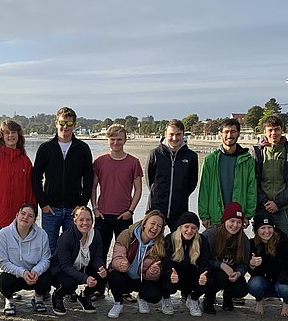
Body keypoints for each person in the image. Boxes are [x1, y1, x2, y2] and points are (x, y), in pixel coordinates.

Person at [0, 119, 35, 310]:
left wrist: (30, 217)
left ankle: (9, 291)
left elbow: (29, 192)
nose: (10, 136)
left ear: (19, 136)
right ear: (1, 136)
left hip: (17, 222)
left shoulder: (25, 160)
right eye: (7, 133)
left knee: (13, 257)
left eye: (14, 133)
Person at [32, 107, 94, 253]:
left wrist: (81, 204)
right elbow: (36, 177)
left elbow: (89, 178)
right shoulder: (45, 148)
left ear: (74, 125)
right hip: (51, 209)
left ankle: (69, 276)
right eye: (62, 123)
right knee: (49, 249)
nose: (65, 126)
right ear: (56, 123)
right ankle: (50, 275)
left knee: (72, 248)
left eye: (69, 123)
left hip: (74, 209)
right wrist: (43, 203)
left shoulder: (82, 149)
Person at [91, 123, 143, 263]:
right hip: (103, 215)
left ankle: (118, 282)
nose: (116, 142)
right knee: (99, 253)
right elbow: (93, 187)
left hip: (124, 216)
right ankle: (99, 282)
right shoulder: (99, 162)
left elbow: (138, 189)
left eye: (119, 139)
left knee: (123, 253)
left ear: (125, 140)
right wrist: (95, 209)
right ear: (108, 140)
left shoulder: (133, 162)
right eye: (112, 139)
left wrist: (131, 211)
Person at [106, 210, 167, 318]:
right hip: (125, 276)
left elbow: (155, 272)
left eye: (159, 226)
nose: (155, 228)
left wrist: (153, 272)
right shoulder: (127, 234)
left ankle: (142, 298)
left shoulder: (160, 244)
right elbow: (116, 257)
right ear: (144, 223)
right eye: (152, 224)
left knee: (155, 296)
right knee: (115, 276)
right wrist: (121, 264)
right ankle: (118, 303)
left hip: (142, 279)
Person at [252, 114, 288, 244]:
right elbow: (252, 180)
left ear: (281, 130)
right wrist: (264, 201)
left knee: (287, 243)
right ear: (265, 132)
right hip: (262, 207)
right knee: (260, 244)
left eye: (277, 129)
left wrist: (278, 203)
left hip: (284, 207)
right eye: (270, 130)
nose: (274, 133)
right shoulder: (257, 152)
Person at [198, 118, 257, 228]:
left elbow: (251, 189)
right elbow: (204, 188)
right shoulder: (210, 160)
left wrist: (248, 215)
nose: (229, 135)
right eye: (226, 132)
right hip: (215, 216)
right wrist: (204, 215)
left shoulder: (247, 160)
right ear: (221, 134)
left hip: (237, 218)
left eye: (233, 131)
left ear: (238, 134)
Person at [49, 206, 108, 316]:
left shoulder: (95, 235)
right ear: (74, 221)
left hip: (82, 267)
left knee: (104, 275)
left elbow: (97, 257)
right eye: (81, 220)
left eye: (88, 219)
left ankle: (85, 295)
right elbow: (65, 266)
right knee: (70, 284)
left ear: (92, 220)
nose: (85, 223)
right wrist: (85, 278)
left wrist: (100, 267)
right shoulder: (66, 237)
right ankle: (58, 296)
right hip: (61, 270)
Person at [0, 204, 52, 315]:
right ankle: (9, 300)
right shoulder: (4, 234)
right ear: (16, 216)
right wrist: (22, 272)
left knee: (47, 277)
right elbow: (2, 263)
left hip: (34, 275)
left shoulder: (42, 234)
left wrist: (36, 271)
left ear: (34, 220)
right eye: (23, 214)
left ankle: (38, 298)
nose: (25, 217)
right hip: (14, 275)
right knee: (3, 280)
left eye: (30, 216)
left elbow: (46, 259)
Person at [146, 119, 199, 231]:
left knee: (177, 244)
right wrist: (159, 194)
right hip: (157, 208)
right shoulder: (155, 154)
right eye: (171, 134)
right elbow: (149, 180)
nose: (175, 138)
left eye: (178, 134)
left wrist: (180, 195)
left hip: (179, 210)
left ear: (183, 134)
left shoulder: (191, 156)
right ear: (166, 134)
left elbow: (192, 183)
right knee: (153, 243)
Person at [201, 202, 251, 313]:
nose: (235, 225)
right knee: (220, 277)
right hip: (212, 272)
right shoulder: (210, 235)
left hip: (232, 272)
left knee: (241, 289)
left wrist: (239, 273)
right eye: (232, 221)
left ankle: (228, 297)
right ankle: (208, 299)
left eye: (239, 222)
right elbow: (201, 260)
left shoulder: (243, 240)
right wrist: (221, 265)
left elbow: (244, 263)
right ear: (224, 221)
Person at [160, 211, 209, 317]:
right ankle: (166, 298)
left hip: (191, 275)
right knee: (166, 279)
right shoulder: (170, 239)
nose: (189, 231)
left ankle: (193, 299)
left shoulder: (202, 240)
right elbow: (165, 262)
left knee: (208, 279)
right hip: (174, 274)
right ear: (180, 227)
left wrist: (203, 274)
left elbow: (205, 263)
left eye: (193, 228)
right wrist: (170, 273)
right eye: (186, 227)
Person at [246, 213, 288, 317]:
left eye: (269, 227)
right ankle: (259, 301)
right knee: (254, 284)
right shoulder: (252, 244)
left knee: (286, 289)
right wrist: (252, 264)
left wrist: (283, 278)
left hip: (281, 281)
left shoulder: (283, 240)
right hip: (264, 281)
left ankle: (286, 304)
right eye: (262, 228)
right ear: (256, 230)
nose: (267, 231)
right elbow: (252, 273)